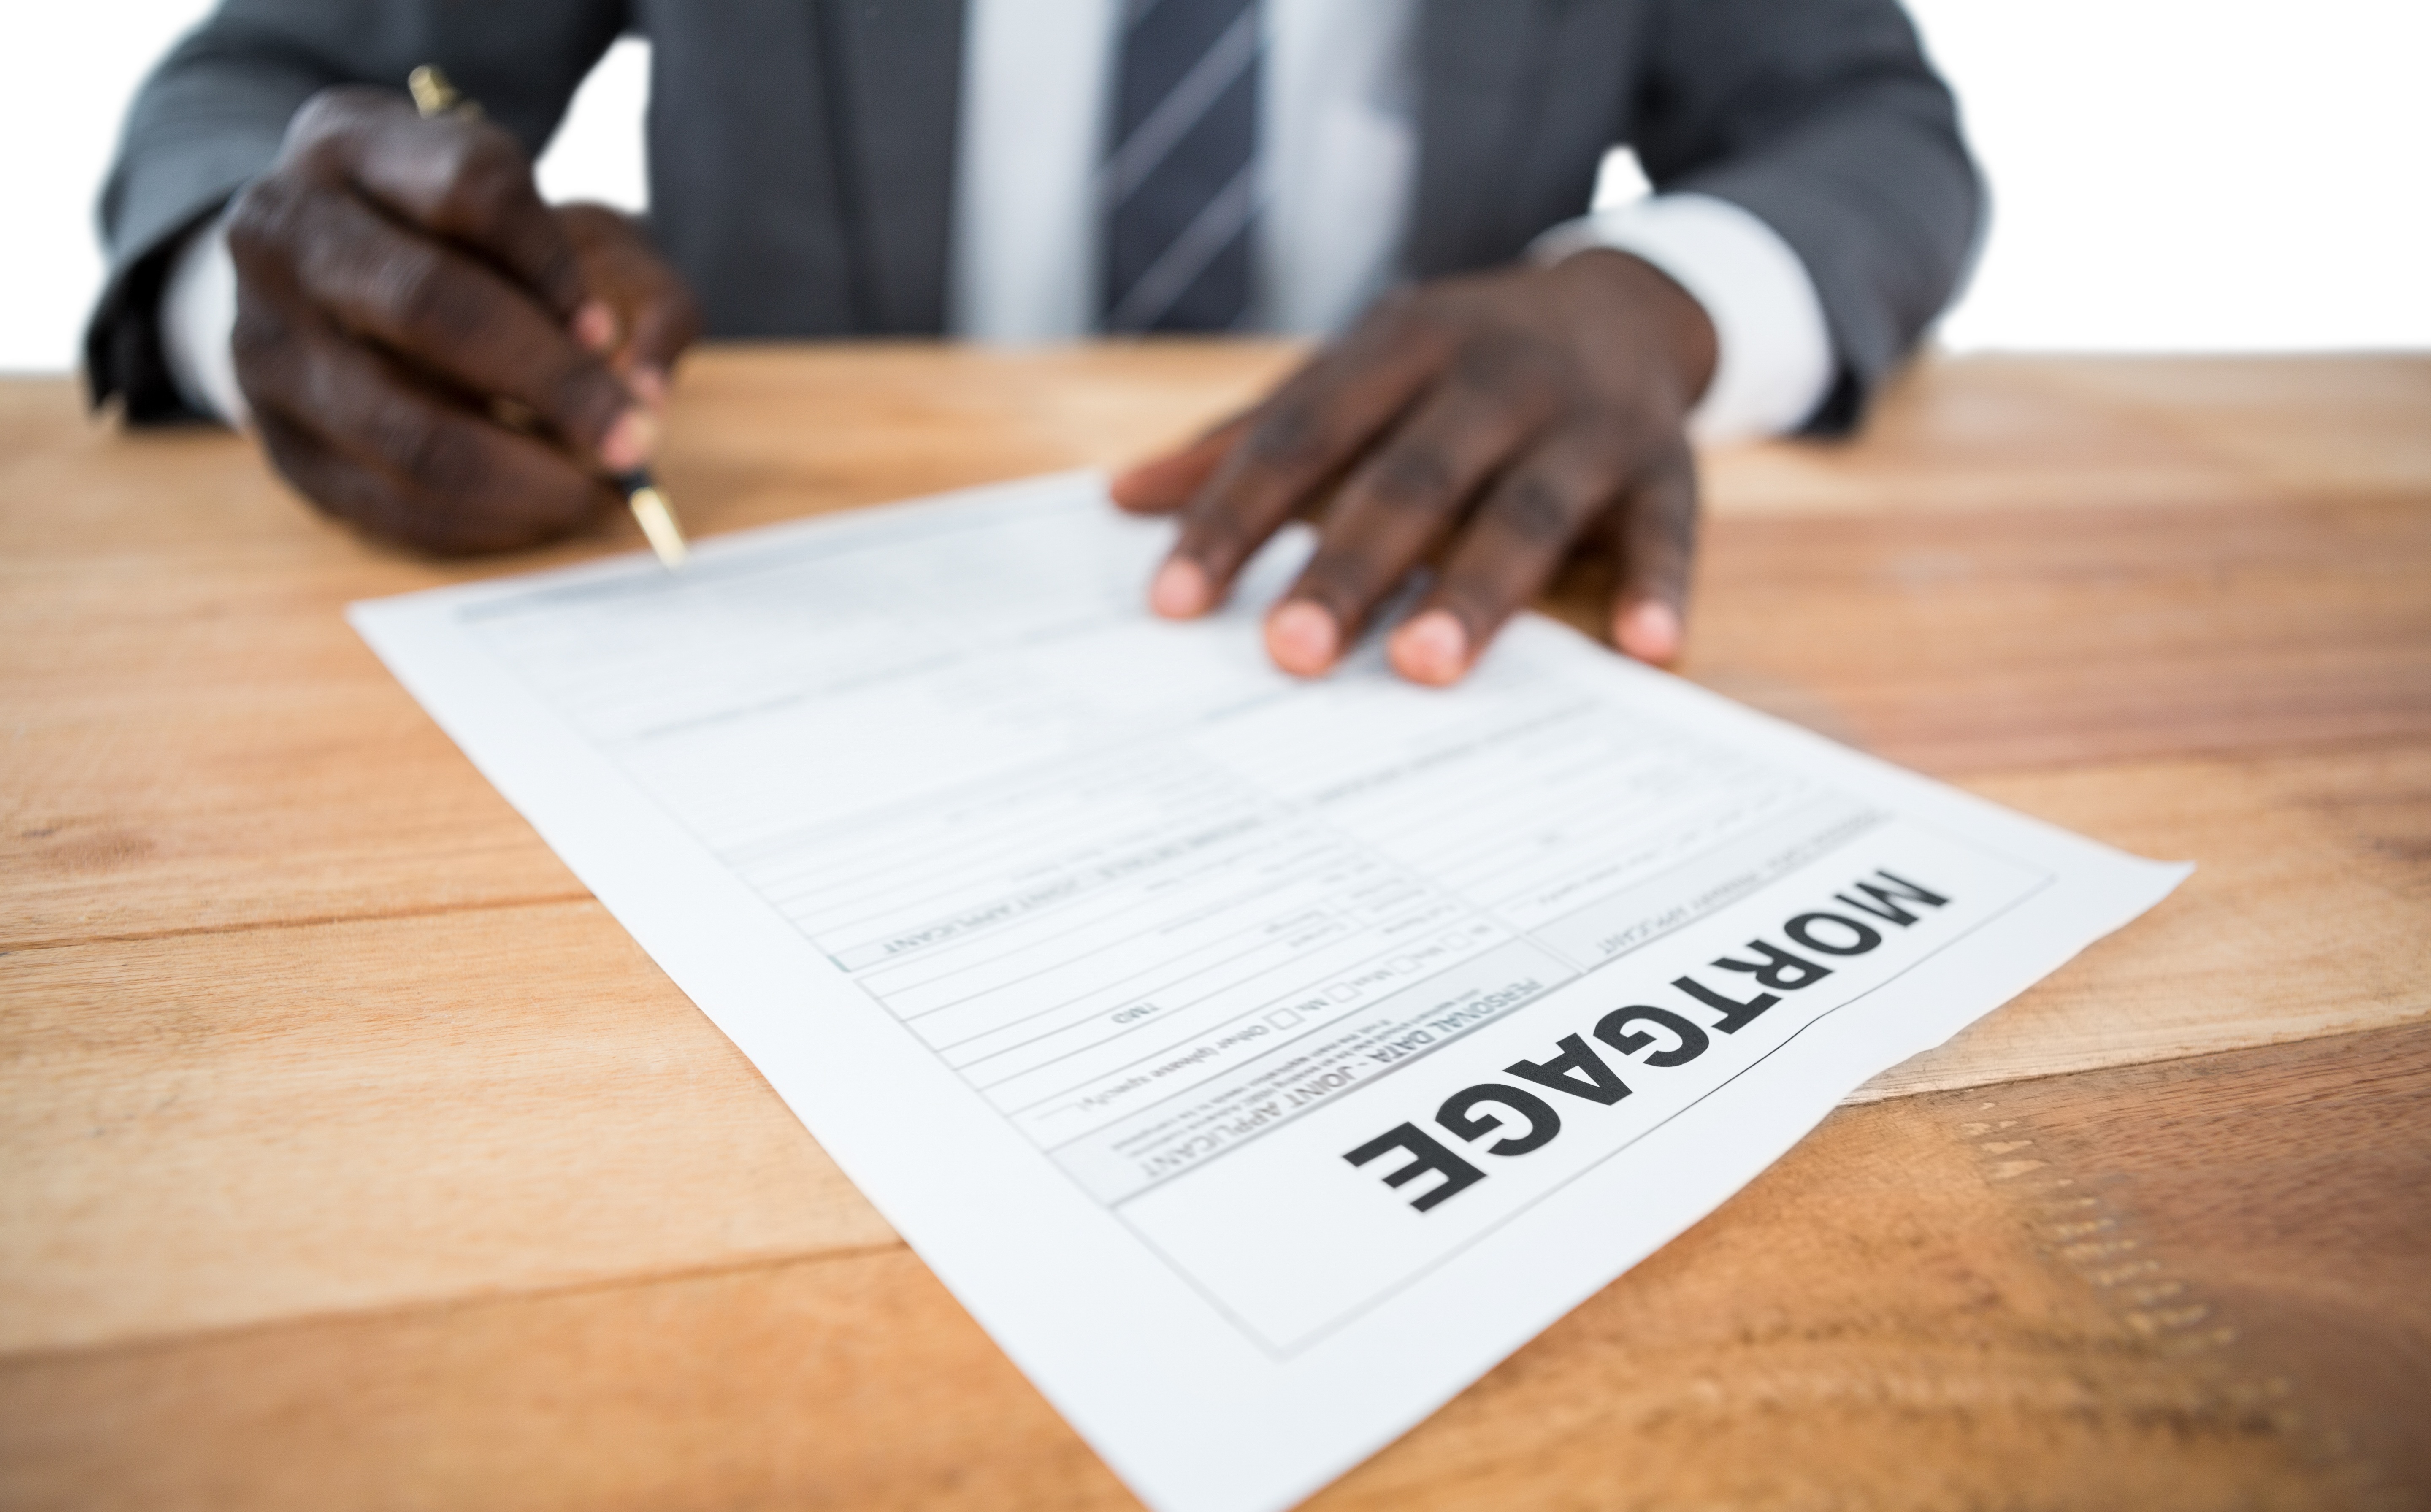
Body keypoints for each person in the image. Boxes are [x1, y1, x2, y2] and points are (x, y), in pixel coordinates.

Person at [88, 0, 1980, 685]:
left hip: (1395, 634)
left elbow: (1877, 131)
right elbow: (252, 86)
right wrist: (301, 297)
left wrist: (1650, 300)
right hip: (760, 631)